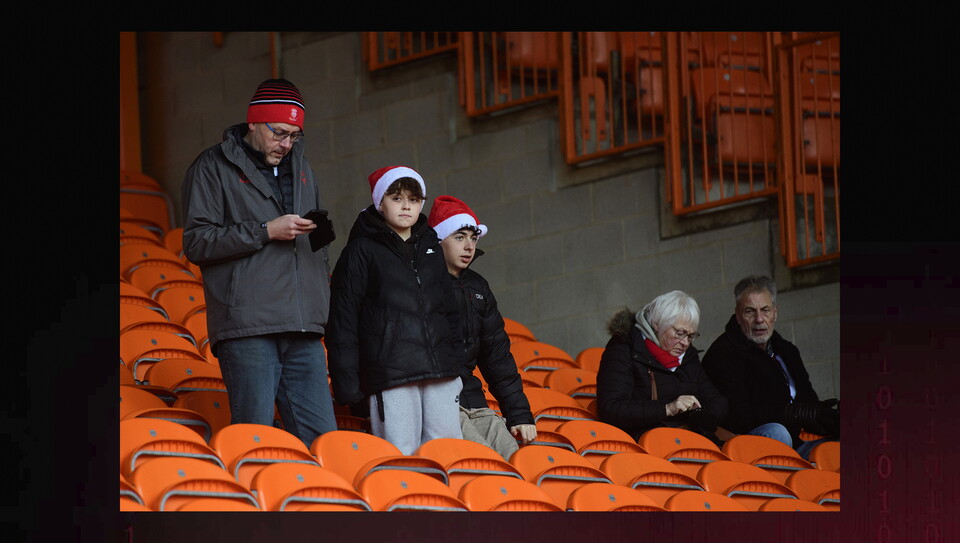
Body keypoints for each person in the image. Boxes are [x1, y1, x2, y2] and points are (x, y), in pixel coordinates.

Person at [180, 78, 337, 447]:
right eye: (279, 133)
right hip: (249, 327)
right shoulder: (210, 165)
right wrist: (266, 230)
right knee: (256, 443)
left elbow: (319, 242)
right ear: (253, 122)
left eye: (295, 136)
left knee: (326, 447)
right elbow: (196, 242)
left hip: (303, 328)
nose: (286, 144)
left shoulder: (302, 166)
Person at [326, 166, 465, 455]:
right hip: (391, 374)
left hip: (440, 372)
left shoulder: (432, 248)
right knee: (401, 457)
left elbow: (449, 311)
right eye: (397, 198)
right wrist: (348, 384)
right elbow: (343, 319)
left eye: (413, 200)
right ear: (380, 202)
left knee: (448, 456)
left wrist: (456, 362)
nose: (406, 206)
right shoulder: (360, 251)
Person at [427, 195, 537, 461]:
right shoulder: (423, 283)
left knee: (519, 462)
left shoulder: (478, 287)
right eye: (459, 237)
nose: (468, 246)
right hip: (438, 402)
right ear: (438, 239)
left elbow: (497, 356)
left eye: (473, 238)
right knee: (489, 464)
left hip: (475, 401)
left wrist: (519, 414)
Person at [701, 275, 839, 459]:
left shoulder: (787, 351)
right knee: (777, 432)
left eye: (765, 310)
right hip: (746, 445)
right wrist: (789, 413)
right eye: (750, 311)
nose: (759, 319)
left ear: (775, 312)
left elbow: (808, 403)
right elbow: (737, 417)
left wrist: (828, 419)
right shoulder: (723, 354)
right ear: (738, 315)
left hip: (795, 446)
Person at [596, 291, 728, 443]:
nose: (685, 342)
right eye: (679, 333)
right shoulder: (624, 349)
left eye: (691, 336)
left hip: (689, 439)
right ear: (656, 324)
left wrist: (700, 414)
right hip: (647, 444)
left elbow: (718, 401)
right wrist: (668, 408)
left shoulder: (688, 356)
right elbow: (611, 409)